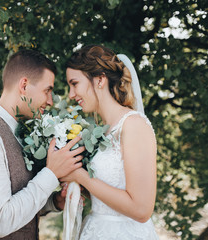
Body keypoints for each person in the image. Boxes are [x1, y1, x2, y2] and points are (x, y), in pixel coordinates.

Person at [0, 49, 85, 239]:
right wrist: (51, 174)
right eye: (47, 90)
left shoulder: (21, 132)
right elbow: (1, 220)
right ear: (24, 85)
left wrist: (54, 202)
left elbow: (18, 201)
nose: (50, 101)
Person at [63, 45, 159, 239]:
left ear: (100, 79)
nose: (71, 95)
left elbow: (141, 210)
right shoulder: (100, 131)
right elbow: (108, 193)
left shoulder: (133, 125)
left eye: (75, 84)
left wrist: (81, 176)